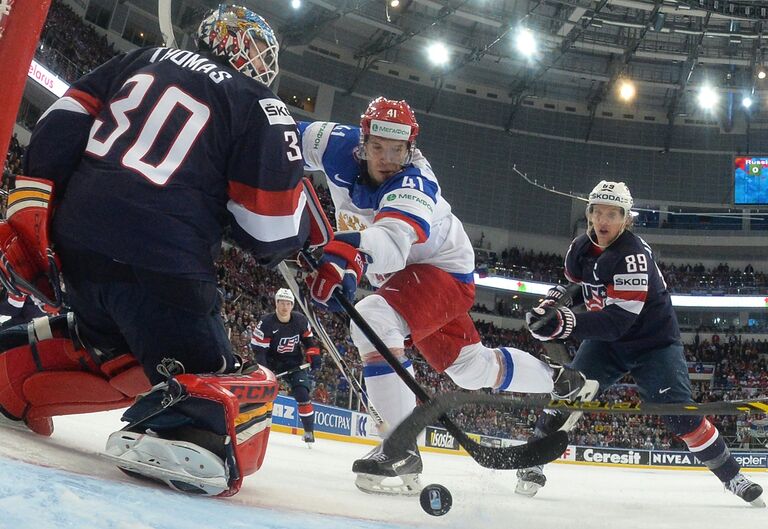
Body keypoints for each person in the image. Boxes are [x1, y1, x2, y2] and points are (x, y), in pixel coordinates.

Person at [0, 4, 309, 496]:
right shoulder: (258, 103)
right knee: (231, 381)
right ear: (255, 59)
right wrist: (300, 233)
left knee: (116, 348)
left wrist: (35, 214)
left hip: (77, 245)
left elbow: (62, 119)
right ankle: (184, 429)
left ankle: (13, 367)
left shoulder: (142, 57)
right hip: (161, 262)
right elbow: (269, 233)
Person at [297, 98, 597, 495]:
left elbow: (391, 243)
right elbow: (279, 141)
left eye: (398, 150)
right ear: (362, 142)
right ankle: (559, 380)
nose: (387, 158)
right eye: (378, 147)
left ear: (411, 149)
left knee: (374, 318)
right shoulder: (329, 140)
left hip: (443, 274)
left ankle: (399, 447)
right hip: (407, 280)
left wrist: (345, 256)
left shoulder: (416, 183)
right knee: (468, 367)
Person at [519, 180, 764, 507]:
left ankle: (733, 476)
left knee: (682, 417)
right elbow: (576, 283)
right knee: (568, 392)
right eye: (598, 212)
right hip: (608, 341)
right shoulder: (580, 246)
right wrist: (552, 302)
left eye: (613, 214)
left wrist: (563, 323)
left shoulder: (632, 255)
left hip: (652, 344)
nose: (603, 221)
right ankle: (534, 461)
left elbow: (619, 320)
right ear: (589, 214)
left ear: (626, 219)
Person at [251, 287, 322, 445]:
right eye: (281, 303)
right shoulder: (266, 323)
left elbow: (309, 342)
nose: (285, 306)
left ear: (292, 305)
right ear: (276, 303)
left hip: (293, 362)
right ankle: (256, 426)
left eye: (288, 303)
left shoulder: (300, 320)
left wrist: (314, 355)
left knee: (302, 394)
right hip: (271, 363)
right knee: (264, 396)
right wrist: (264, 371)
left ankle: (309, 431)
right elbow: (259, 351)